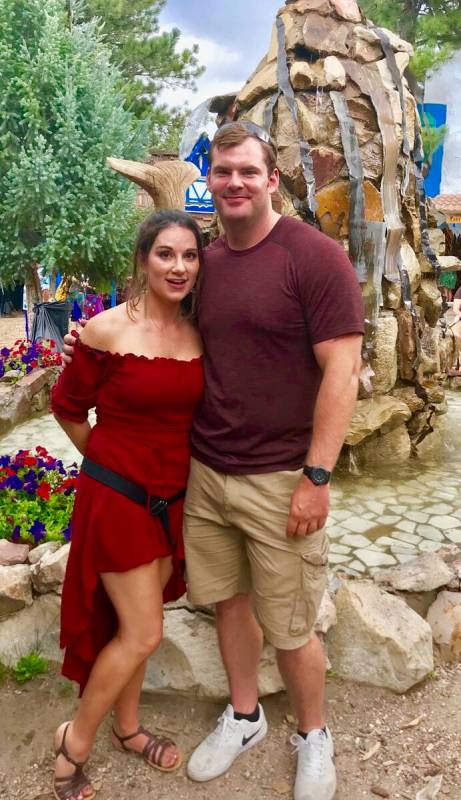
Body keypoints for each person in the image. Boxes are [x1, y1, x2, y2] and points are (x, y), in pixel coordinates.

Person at [64, 121, 364, 800]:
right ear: (211, 179)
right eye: (222, 171)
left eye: (247, 171)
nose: (234, 182)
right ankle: (245, 716)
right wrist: (93, 335)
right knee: (230, 604)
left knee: (291, 625)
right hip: (204, 477)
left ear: (271, 179)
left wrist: (317, 476)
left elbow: (342, 372)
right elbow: (156, 322)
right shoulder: (209, 264)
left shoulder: (313, 258)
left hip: (281, 476)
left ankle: (313, 735)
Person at [51, 209, 203, 800]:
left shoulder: (199, 331)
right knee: (142, 632)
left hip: (173, 502)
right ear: (142, 261)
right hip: (118, 500)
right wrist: (107, 466)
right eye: (165, 254)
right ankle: (73, 743)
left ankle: (129, 728)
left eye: (189, 256)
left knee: (137, 625)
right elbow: (67, 406)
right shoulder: (105, 330)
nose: (178, 266)